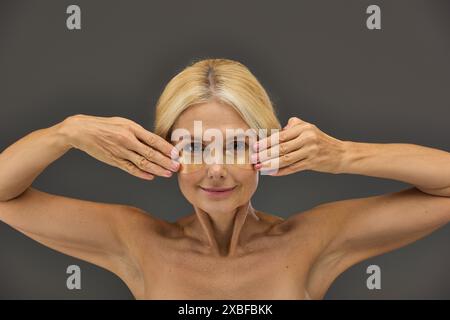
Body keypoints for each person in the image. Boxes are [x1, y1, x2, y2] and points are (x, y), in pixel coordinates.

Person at [1, 58, 450, 299]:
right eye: (194, 146)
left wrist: (341, 155)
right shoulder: (136, 241)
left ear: (266, 150)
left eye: (235, 145)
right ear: (165, 151)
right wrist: (66, 132)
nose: (215, 168)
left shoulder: (313, 240)